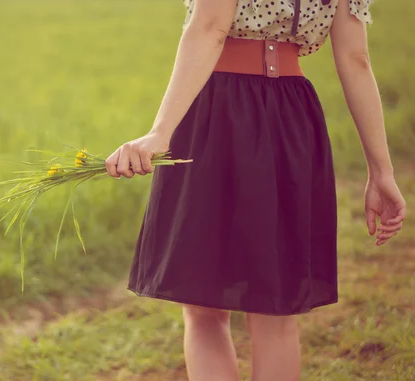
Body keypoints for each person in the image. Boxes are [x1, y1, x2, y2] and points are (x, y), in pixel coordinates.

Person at [104, 0, 407, 380]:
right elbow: (355, 59)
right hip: (291, 119)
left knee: (204, 311)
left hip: (218, 113)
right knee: (275, 314)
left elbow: (209, 29)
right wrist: (381, 171)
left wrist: (159, 133)